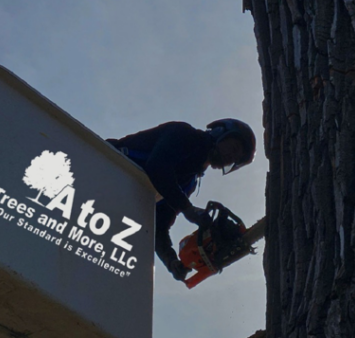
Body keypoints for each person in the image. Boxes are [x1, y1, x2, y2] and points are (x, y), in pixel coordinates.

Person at [105, 118, 256, 281]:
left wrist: (171, 261)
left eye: (235, 159)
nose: (230, 157)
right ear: (220, 133)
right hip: (101, 163)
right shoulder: (184, 135)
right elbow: (157, 167)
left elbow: (159, 226)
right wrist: (188, 209)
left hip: (109, 197)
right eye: (233, 149)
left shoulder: (188, 182)